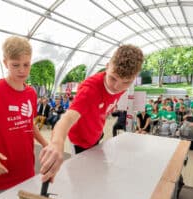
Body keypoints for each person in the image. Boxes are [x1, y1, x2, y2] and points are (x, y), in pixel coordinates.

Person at [39, 44, 143, 182]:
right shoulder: (90, 90)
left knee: (98, 174)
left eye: (126, 82)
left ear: (134, 77)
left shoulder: (122, 85)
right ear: (107, 67)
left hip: (97, 134)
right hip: (80, 140)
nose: (117, 87)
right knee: (82, 178)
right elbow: (67, 118)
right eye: (113, 78)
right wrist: (57, 143)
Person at [0, 36, 48, 199]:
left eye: (26, 65)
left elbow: (29, 123)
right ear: (6, 63)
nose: (22, 70)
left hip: (26, 171)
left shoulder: (31, 93)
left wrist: (45, 144)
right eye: (15, 65)